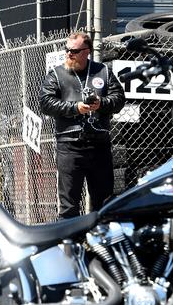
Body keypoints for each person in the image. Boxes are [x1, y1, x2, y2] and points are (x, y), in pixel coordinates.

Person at [40, 31, 125, 219]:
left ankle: (100, 244)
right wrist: (75, 108)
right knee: (69, 206)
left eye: (74, 51)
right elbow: (45, 103)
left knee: (104, 203)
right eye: (67, 50)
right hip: (70, 145)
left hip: (99, 145)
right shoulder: (56, 74)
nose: (69, 54)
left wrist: (101, 104)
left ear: (87, 51)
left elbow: (119, 99)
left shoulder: (103, 71)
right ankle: (69, 245)